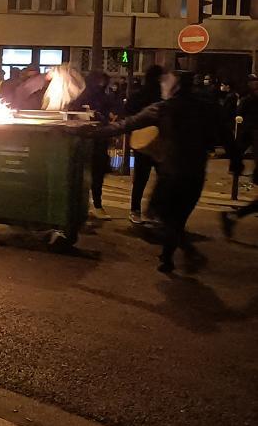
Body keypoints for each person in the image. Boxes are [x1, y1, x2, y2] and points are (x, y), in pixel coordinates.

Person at [75, 71, 215, 274]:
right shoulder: (207, 108)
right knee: (178, 217)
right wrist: (236, 161)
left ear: (173, 87)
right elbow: (225, 136)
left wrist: (91, 133)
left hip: (171, 172)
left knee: (165, 216)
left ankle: (184, 253)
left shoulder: (162, 109)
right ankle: (168, 258)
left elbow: (125, 124)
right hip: (196, 171)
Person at [70, 70, 113, 220]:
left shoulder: (100, 97)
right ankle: (89, 206)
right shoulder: (85, 97)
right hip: (90, 141)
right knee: (88, 176)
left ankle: (95, 205)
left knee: (95, 175)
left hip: (97, 141)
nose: (102, 85)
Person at [126, 65, 164, 224]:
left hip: (141, 140)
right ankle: (154, 211)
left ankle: (135, 210)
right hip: (160, 141)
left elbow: (128, 113)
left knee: (141, 178)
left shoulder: (138, 95)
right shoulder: (163, 96)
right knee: (162, 177)